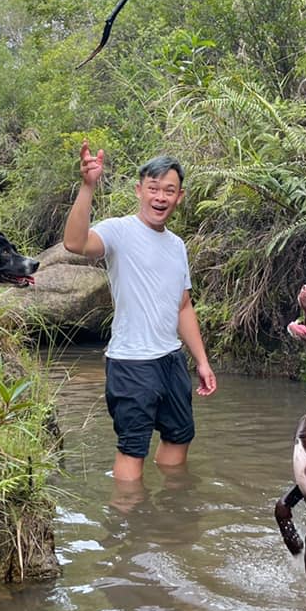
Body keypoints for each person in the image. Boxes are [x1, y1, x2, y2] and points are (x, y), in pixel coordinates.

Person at [63, 138, 217, 483]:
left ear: (179, 197)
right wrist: (88, 187)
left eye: (169, 190)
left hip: (172, 360)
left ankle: (171, 508)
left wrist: (202, 362)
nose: (160, 197)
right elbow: (75, 243)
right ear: (139, 190)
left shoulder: (177, 246)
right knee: (133, 448)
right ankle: (130, 522)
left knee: (180, 437)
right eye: (153, 188)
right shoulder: (119, 231)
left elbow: (183, 306)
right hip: (131, 363)